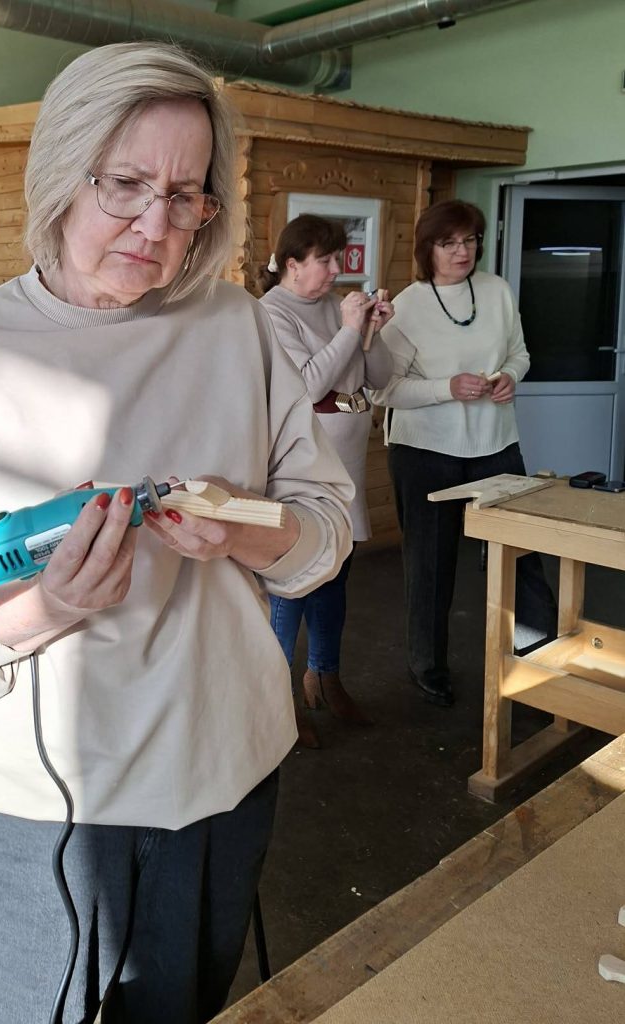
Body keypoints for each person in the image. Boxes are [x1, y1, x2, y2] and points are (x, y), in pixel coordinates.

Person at [0, 42, 353, 1024]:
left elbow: (321, 533)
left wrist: (240, 531)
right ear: (58, 173)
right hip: (21, 814)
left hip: (216, 779)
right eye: (124, 185)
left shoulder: (236, 329)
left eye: (185, 194)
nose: (154, 223)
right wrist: (42, 609)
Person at [370, 199, 556, 708]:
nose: (462, 251)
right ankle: (427, 665)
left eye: (470, 240)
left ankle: (541, 660)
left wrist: (510, 378)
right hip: (424, 451)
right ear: (427, 248)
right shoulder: (408, 306)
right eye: (449, 242)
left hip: (496, 445)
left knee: (524, 554)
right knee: (431, 564)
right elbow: (384, 390)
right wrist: (446, 387)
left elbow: (520, 352)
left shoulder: (496, 291)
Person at [259, 214, 394, 747]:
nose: (339, 270)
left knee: (337, 574)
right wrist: (346, 329)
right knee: (293, 582)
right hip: (301, 463)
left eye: (340, 258)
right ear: (293, 264)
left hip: (348, 458)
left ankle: (325, 675)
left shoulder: (338, 309)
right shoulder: (271, 312)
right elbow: (308, 383)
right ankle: (278, 698)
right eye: (327, 260)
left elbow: (380, 378)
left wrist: (372, 332)